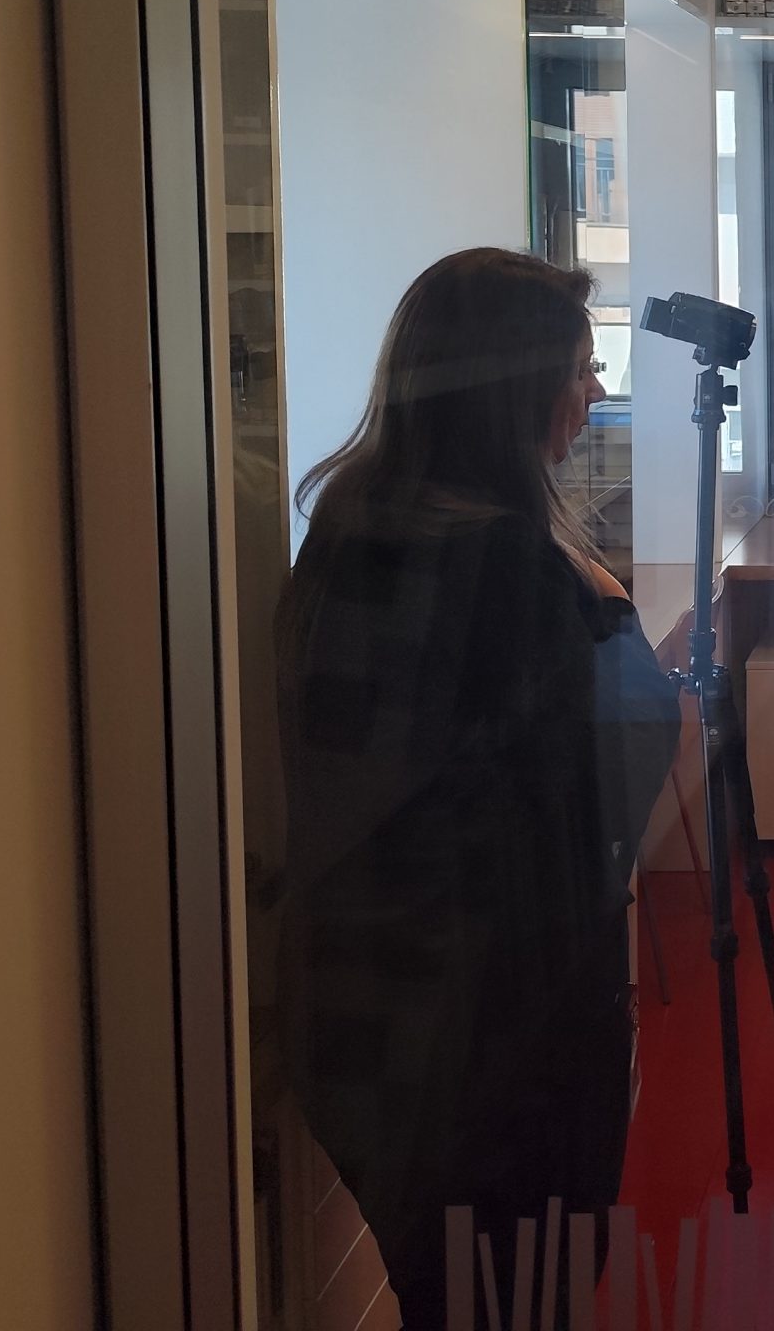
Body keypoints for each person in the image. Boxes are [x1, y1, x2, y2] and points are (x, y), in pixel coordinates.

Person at [276, 249, 683, 1326]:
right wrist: (612, 612)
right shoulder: (511, 576)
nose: (594, 392)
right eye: (579, 369)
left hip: (363, 1010)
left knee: (447, 1292)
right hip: (495, 1033)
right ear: (518, 390)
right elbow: (614, 771)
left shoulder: (346, 532)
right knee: (523, 1290)